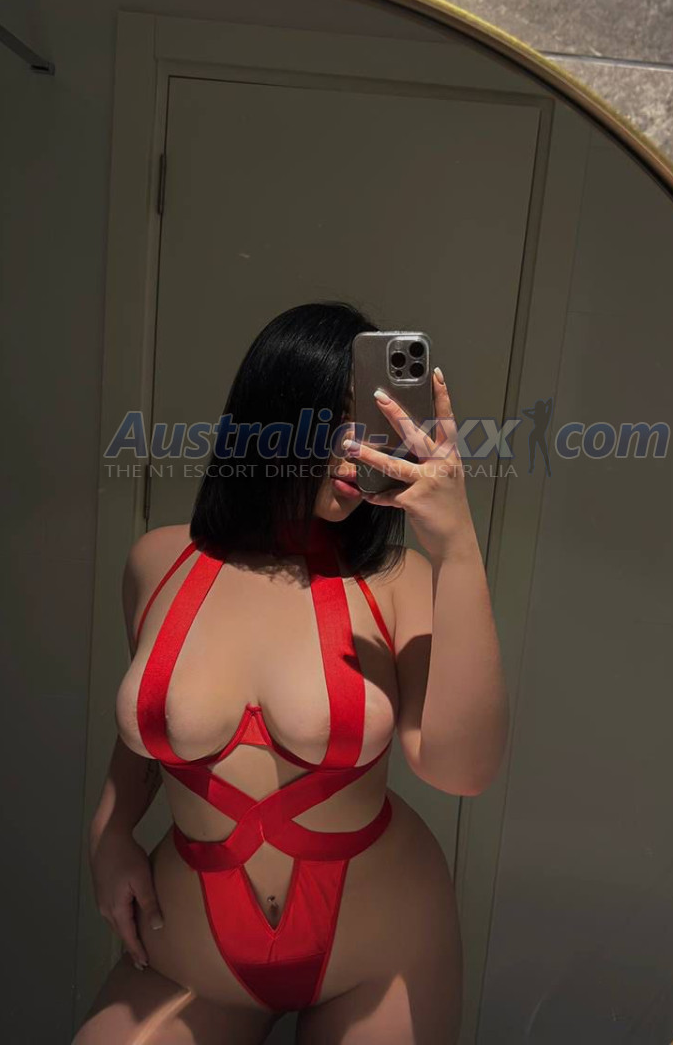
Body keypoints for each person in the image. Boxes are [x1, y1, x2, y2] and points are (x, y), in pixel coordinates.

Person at [74, 301, 508, 1044]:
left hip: (381, 951)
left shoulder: (399, 582)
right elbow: (150, 728)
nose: (359, 446)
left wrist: (458, 547)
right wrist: (109, 834)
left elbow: (463, 771)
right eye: (336, 419)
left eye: (372, 421)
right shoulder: (157, 562)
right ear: (273, 419)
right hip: (189, 955)